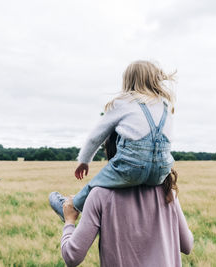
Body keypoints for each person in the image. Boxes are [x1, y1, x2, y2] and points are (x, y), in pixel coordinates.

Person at [49, 60, 176, 221]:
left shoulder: (123, 102)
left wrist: (84, 161)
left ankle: (72, 206)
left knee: (96, 184)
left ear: (128, 81)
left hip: (131, 167)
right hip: (161, 172)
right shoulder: (166, 105)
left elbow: (96, 136)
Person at [60, 170, 194, 267]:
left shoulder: (99, 194)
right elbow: (187, 245)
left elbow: (72, 257)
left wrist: (69, 221)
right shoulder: (167, 190)